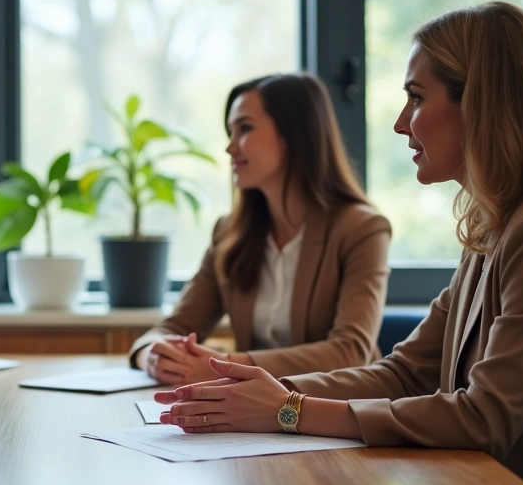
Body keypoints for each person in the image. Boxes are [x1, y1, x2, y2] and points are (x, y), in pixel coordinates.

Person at [156, 3, 523, 485]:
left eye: (415, 98)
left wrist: (289, 412)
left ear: (480, 104)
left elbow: (484, 418)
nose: (401, 124)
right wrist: (255, 394)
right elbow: (406, 373)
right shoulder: (498, 225)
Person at [130, 73, 391, 386]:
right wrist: (152, 356)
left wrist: (225, 365)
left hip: (334, 411)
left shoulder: (362, 229)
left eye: (245, 128)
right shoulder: (230, 233)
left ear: (296, 134)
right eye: (230, 131)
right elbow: (173, 327)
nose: (229, 148)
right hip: (254, 418)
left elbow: (350, 352)